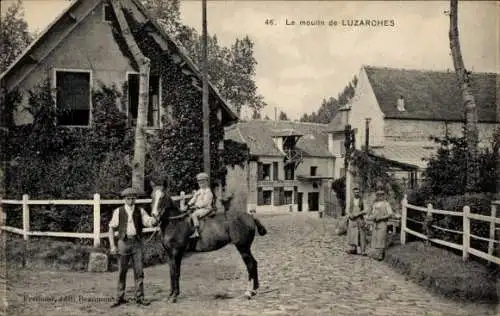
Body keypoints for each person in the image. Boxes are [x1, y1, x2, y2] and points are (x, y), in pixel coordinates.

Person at [108, 187, 157, 307]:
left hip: (137, 243)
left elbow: (148, 221)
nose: (130, 200)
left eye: (132, 198)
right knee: (122, 271)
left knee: (139, 271)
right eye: (128, 198)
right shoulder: (118, 211)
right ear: (124, 199)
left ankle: (140, 297)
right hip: (123, 243)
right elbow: (111, 228)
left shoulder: (140, 211)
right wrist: (112, 245)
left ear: (135, 199)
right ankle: (119, 297)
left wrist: (154, 220)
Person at [366, 189, 394, 261]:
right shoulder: (375, 204)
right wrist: (370, 218)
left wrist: (381, 218)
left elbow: (390, 214)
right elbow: (373, 213)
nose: (379, 197)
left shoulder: (386, 204)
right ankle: (375, 254)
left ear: (383, 196)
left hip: (382, 223)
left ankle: (380, 255)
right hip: (375, 224)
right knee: (375, 238)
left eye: (381, 195)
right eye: (378, 195)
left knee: (381, 238)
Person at [187, 172, 214, 238]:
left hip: (206, 208)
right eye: (199, 182)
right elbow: (194, 198)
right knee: (187, 214)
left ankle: (196, 232)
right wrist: (188, 204)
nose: (201, 184)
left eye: (203, 182)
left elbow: (205, 202)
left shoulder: (208, 191)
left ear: (206, 182)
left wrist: (196, 206)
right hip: (198, 209)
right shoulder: (199, 191)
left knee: (194, 215)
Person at [346, 187, 367, 255]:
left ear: (359, 192)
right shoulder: (351, 200)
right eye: (355, 192)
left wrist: (358, 213)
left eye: (357, 192)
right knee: (353, 234)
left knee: (361, 234)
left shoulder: (362, 200)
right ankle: (353, 249)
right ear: (353, 193)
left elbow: (366, 210)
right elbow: (347, 210)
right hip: (352, 220)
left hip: (360, 219)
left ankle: (363, 251)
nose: (356, 193)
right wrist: (350, 214)